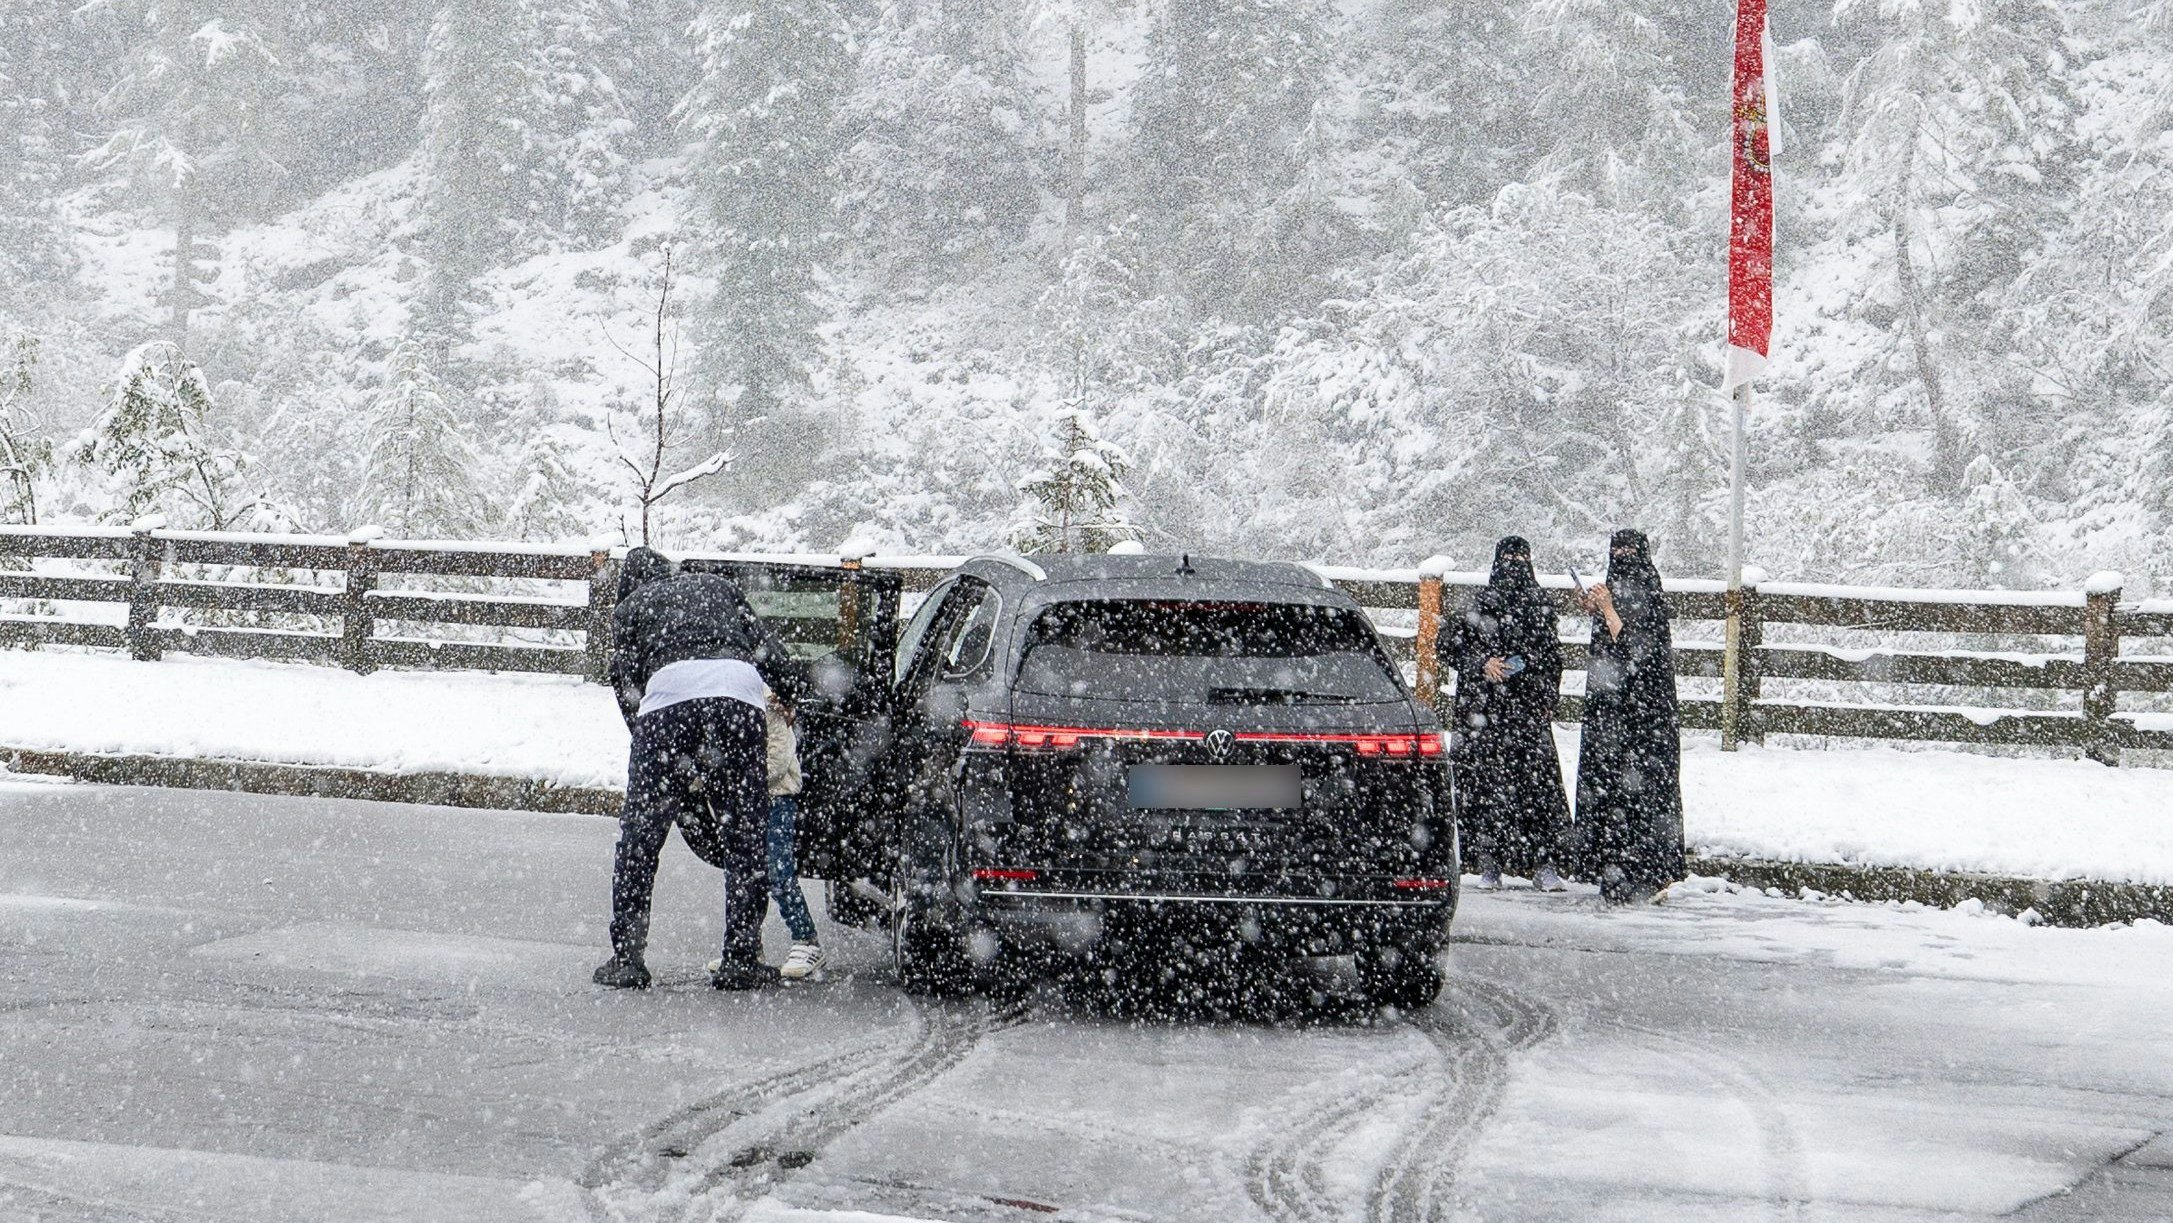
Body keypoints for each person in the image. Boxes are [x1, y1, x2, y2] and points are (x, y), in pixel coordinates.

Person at [593, 547, 811, 991]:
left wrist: (660, 755)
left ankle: (628, 959)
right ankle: (741, 959)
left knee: (640, 840)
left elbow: (628, 687)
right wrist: (791, 692)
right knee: (746, 836)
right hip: (737, 698)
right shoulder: (718, 587)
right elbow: (769, 652)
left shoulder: (630, 607)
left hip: (667, 706)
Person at [1450, 536, 1572, 892]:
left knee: (1537, 790)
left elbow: (1552, 656)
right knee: (1487, 789)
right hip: (1484, 712)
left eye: (1521, 558)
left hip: (1526, 712)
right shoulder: (1478, 604)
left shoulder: (1540, 604)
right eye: (1509, 558)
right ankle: (1489, 864)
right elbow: (1449, 645)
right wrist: (1482, 663)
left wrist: (1544, 691)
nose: (1515, 565)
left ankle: (1544, 863)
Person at [1574, 529, 1687, 904]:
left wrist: (1609, 610)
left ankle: (1649, 874)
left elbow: (1638, 652)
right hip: (1611, 715)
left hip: (1645, 717)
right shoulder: (1615, 590)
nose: (1620, 557)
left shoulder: (1649, 594)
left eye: (1627, 551)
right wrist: (1595, 609)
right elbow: (1609, 649)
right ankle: (1614, 873)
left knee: (1643, 795)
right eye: (1616, 550)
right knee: (1611, 793)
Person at [759, 692, 825, 980]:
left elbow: (778, 758)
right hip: (752, 796)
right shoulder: (738, 695)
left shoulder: (766, 701)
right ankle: (746, 942)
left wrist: (742, 782)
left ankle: (806, 938)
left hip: (775, 796)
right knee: (749, 873)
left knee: (777, 871)